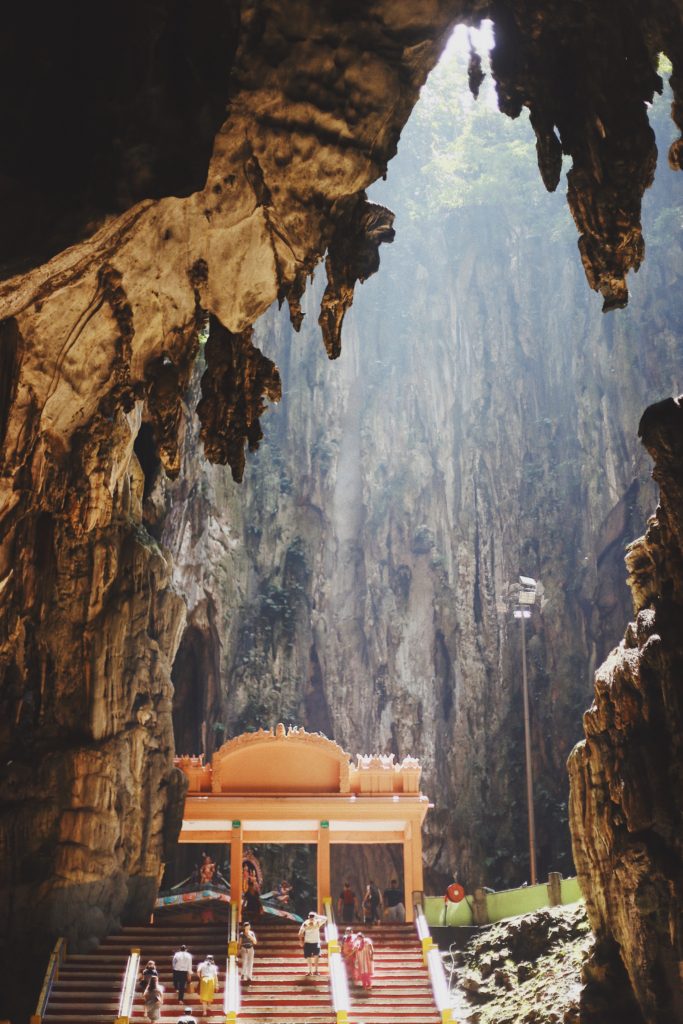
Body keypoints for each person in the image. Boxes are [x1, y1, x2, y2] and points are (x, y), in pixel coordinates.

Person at [297, 910, 327, 976]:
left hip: (316, 942)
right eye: (310, 916)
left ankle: (316, 971)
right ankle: (310, 971)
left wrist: (316, 916)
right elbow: (300, 933)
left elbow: (325, 918)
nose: (311, 917)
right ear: (308, 917)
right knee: (308, 958)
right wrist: (301, 941)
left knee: (316, 957)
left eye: (312, 916)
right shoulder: (305, 923)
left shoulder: (318, 922)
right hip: (308, 942)